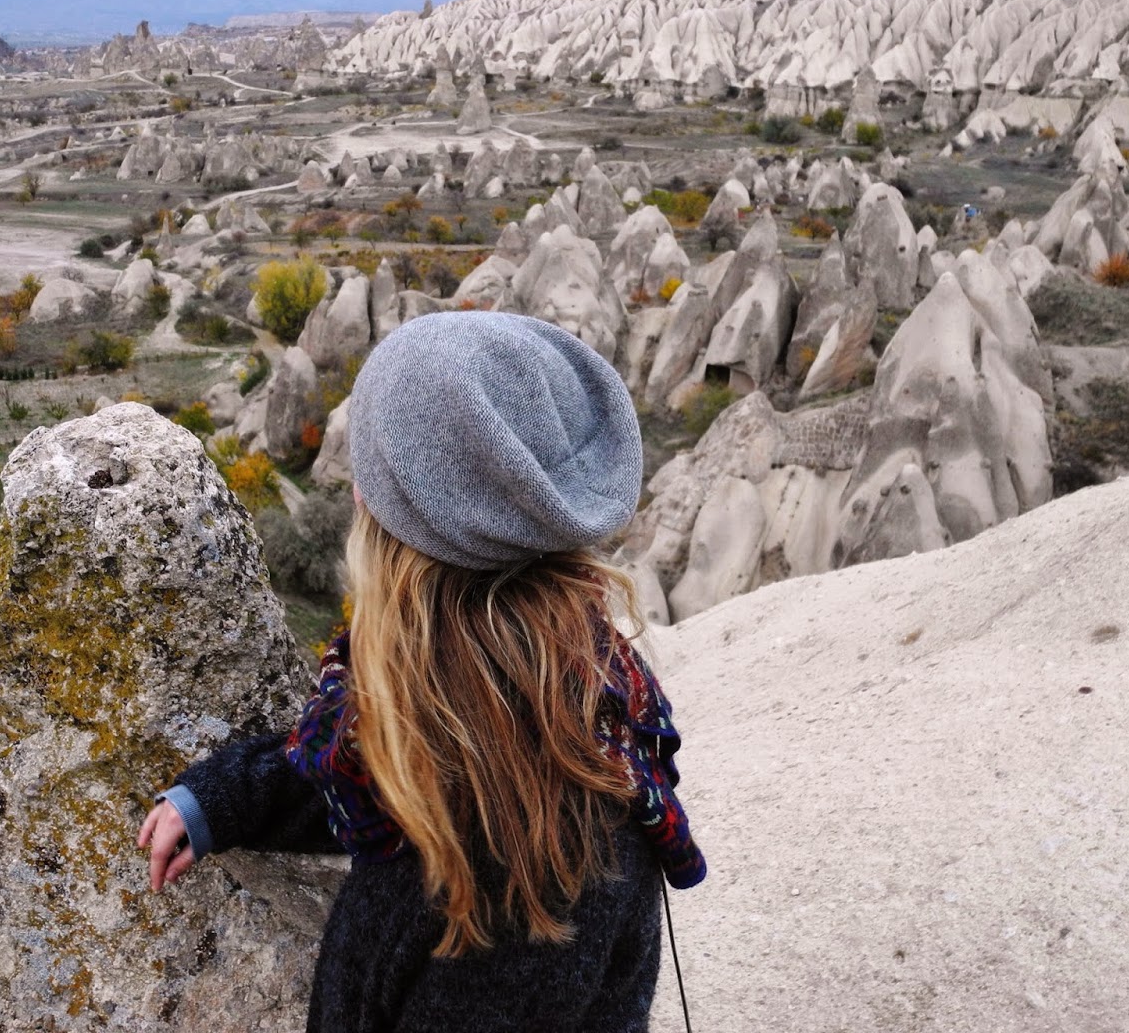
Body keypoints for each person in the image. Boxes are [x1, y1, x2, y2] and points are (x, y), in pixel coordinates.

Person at [138, 311, 705, 1032]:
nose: (355, 494)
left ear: (405, 541)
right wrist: (224, 800)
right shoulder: (536, 697)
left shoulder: (533, 859)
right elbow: (380, 766)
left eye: (373, 477)